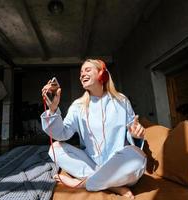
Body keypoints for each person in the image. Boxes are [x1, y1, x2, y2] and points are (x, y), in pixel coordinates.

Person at [41, 59, 146, 199]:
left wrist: (136, 134)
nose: (82, 74)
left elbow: (133, 129)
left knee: (138, 157)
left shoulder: (121, 100)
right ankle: (113, 185)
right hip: (91, 163)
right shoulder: (77, 106)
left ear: (101, 74)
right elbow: (62, 133)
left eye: (87, 70)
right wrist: (53, 109)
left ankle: (82, 183)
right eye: (81, 72)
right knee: (55, 148)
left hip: (119, 165)